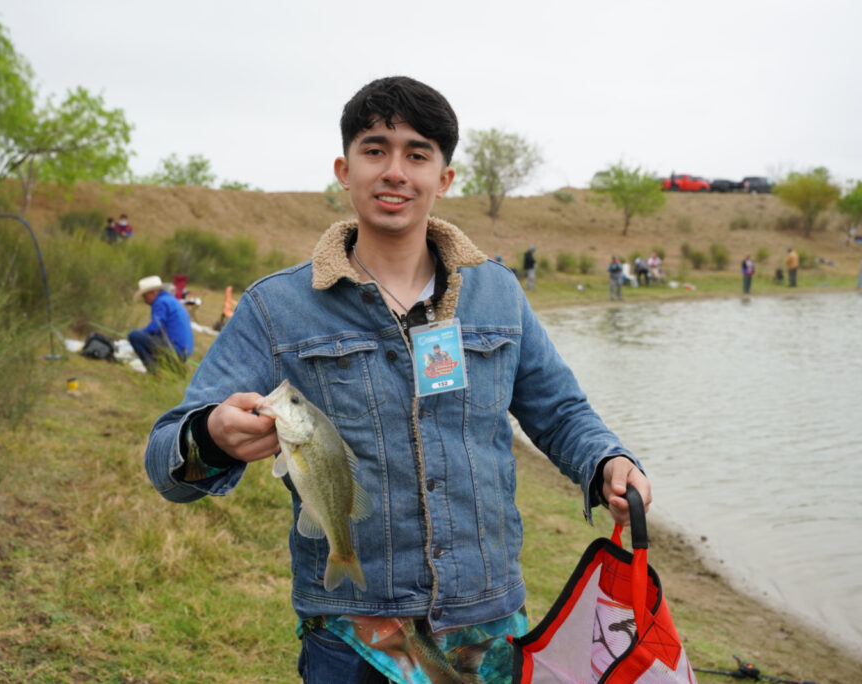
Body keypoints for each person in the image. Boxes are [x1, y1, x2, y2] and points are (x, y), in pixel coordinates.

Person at [142, 76, 651, 684]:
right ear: (344, 168)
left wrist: (608, 462)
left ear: (444, 178)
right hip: (351, 639)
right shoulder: (275, 309)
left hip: (489, 626)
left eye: (417, 154)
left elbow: (562, 413)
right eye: (375, 149)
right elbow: (165, 463)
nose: (395, 171)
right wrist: (210, 438)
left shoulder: (498, 293)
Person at [128, 275, 194, 373]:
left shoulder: (160, 302)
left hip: (176, 350)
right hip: (185, 351)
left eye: (145, 295)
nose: (144, 299)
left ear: (153, 293)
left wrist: (141, 333)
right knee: (151, 338)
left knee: (134, 336)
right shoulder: (171, 300)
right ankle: (172, 368)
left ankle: (155, 371)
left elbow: (155, 327)